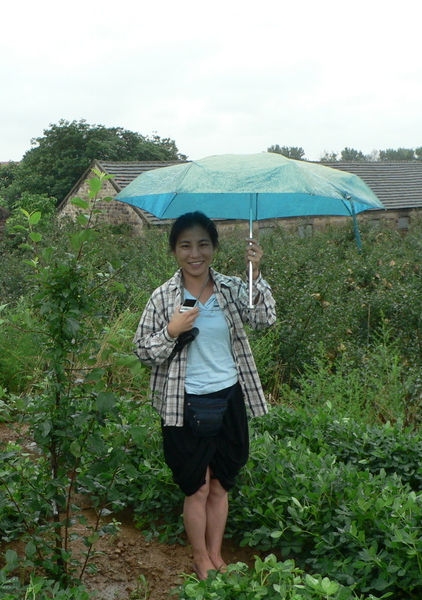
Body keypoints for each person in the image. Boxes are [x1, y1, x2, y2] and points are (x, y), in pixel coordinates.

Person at [133, 211, 276, 580]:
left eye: (202, 244)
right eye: (185, 245)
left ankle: (216, 554)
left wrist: (255, 275)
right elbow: (143, 351)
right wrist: (171, 330)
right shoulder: (163, 297)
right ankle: (200, 558)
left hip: (228, 399)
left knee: (220, 484)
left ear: (213, 247)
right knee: (196, 486)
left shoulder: (232, 287)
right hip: (183, 405)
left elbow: (264, 320)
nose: (194, 253)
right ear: (174, 250)